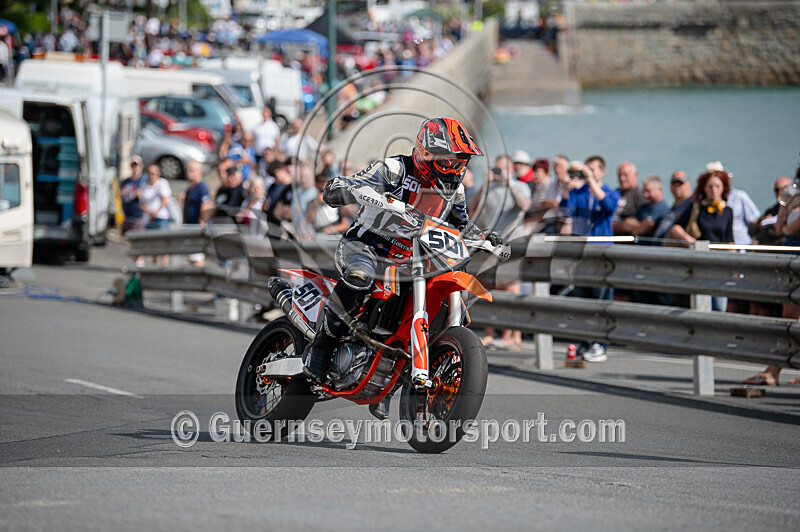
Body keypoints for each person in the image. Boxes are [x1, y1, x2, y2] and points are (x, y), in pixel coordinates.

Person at [303, 117, 501, 421]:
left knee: (441, 307)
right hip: (367, 247)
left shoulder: (455, 190)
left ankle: (393, 383)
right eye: (448, 161)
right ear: (426, 153)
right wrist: (346, 190)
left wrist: (486, 238)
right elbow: (345, 185)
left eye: (460, 162)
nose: (455, 168)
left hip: (411, 259)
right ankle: (321, 349)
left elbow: (462, 225)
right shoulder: (395, 169)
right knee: (359, 278)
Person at [559, 155, 620, 362]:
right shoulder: (580, 192)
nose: (589, 173)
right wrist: (565, 189)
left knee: (601, 301)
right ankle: (586, 341)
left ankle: (600, 343)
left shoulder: (610, 192)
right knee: (583, 300)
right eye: (588, 169)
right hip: (581, 253)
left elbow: (609, 206)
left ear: (602, 171)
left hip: (602, 253)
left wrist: (591, 181)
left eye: (593, 169)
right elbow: (565, 210)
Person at [668, 169, 734, 312]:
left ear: (723, 188)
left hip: (720, 264)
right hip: (700, 261)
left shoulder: (727, 211)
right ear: (704, 188)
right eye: (710, 186)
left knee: (719, 306)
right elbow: (676, 228)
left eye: (717, 186)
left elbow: (729, 240)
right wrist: (691, 241)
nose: (714, 190)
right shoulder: (696, 207)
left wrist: (733, 264)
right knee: (700, 303)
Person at [706, 161, 760, 246]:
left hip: (742, 245)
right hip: (722, 246)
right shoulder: (703, 203)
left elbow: (754, 220)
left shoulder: (740, 196)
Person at [617, 176, 670, 241]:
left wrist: (636, 227)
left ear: (659, 189)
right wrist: (640, 225)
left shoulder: (662, 208)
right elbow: (627, 222)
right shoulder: (644, 206)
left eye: (648, 191)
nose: (645, 195)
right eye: (644, 191)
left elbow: (642, 229)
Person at [139, 164, 173, 266]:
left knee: (163, 243)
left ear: (158, 174)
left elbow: (165, 199)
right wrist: (150, 212)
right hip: (149, 218)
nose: (151, 176)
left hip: (161, 218)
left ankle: (164, 266)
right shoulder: (144, 184)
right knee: (153, 244)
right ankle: (154, 266)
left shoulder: (162, 183)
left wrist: (156, 212)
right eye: (149, 173)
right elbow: (141, 203)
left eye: (153, 174)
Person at [181, 160, 213, 266]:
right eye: (187, 170)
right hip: (189, 228)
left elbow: (205, 208)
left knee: (197, 259)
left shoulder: (201, 188)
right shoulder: (190, 188)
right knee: (191, 259)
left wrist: (201, 230)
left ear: (199, 172)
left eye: (191, 170)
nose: (188, 172)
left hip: (197, 229)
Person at [749, 176, 792, 245]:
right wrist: (760, 224)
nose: (781, 192)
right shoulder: (772, 210)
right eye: (777, 190)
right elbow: (753, 230)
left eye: (785, 188)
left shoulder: (796, 210)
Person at [653, 171, 693, 242]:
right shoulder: (674, 206)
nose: (677, 187)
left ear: (688, 185)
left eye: (680, 184)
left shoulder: (692, 204)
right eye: (674, 184)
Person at [613, 161, 645, 235]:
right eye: (619, 175)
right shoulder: (615, 193)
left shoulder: (641, 195)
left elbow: (639, 223)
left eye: (625, 175)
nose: (622, 179)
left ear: (635, 175)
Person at [119, 155, 147, 235]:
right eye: (133, 165)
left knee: (137, 238)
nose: (135, 168)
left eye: (136, 165)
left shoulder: (145, 180)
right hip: (127, 216)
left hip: (139, 217)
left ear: (141, 166)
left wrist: (140, 195)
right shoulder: (125, 181)